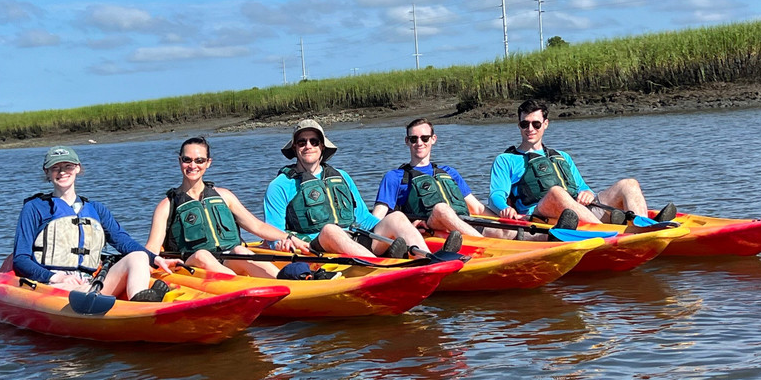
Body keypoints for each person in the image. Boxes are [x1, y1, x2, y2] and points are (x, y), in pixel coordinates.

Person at [12, 146, 177, 302]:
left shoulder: (96, 209)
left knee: (138, 256)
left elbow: (123, 242)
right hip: (53, 285)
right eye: (56, 168)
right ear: (47, 172)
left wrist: (154, 259)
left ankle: (140, 301)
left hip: (91, 283)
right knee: (73, 289)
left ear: (77, 168)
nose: (62, 172)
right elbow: (20, 259)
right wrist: (56, 277)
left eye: (68, 166)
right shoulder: (34, 208)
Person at [263, 119, 443, 258]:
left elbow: (363, 218)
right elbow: (273, 233)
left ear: (322, 145)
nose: (308, 146)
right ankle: (379, 267)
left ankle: (429, 260)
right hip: (315, 248)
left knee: (396, 217)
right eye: (302, 142)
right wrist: (280, 242)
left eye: (314, 141)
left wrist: (399, 229)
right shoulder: (279, 186)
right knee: (330, 230)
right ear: (295, 147)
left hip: (355, 240)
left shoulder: (342, 176)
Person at [488, 99, 677, 227]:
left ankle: (642, 226)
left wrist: (587, 193)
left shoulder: (562, 156)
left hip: (579, 213)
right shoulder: (505, 160)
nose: (530, 129)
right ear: (519, 125)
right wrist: (504, 208)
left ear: (545, 124)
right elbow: (496, 195)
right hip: (540, 216)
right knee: (556, 192)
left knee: (629, 184)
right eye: (524, 124)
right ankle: (608, 231)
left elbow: (583, 188)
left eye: (536, 124)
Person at [145, 136, 312, 278]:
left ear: (208, 163)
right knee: (203, 255)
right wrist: (141, 264)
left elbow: (256, 226)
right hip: (192, 267)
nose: (193, 165)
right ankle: (240, 288)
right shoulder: (167, 206)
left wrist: (290, 238)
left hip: (226, 261)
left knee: (240, 250)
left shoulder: (224, 196)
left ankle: (282, 283)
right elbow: (152, 248)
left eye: (199, 160)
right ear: (180, 161)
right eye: (187, 160)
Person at [372, 118, 528, 242]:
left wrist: (506, 220)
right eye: (414, 139)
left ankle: (548, 241)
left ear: (433, 139)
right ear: (407, 141)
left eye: (424, 138)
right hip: (431, 231)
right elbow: (379, 217)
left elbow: (478, 209)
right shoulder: (394, 177)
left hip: (465, 225)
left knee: (508, 231)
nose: (419, 143)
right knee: (442, 208)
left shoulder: (449, 172)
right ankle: (486, 245)